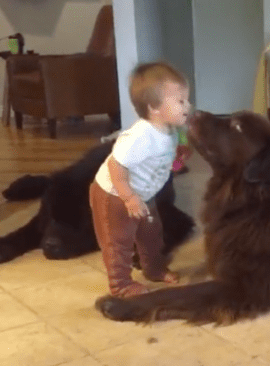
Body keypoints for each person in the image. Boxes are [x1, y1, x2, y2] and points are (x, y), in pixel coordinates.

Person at [89, 61, 191, 298]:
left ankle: (153, 269)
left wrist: (178, 157)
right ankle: (120, 284)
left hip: (143, 194)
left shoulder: (170, 129)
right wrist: (129, 197)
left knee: (151, 232)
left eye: (186, 100)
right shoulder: (141, 135)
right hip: (115, 195)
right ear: (154, 108)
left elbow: (165, 159)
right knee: (118, 241)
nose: (188, 106)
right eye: (180, 101)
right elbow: (116, 165)